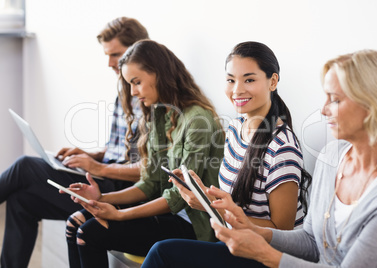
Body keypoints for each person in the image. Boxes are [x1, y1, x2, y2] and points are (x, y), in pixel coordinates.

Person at [142, 49, 377, 268]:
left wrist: (262, 251)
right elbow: (311, 241)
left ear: (372, 104)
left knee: (162, 253)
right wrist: (249, 228)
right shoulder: (331, 156)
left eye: (334, 100)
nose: (323, 110)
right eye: (231, 79)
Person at [0, 17, 148, 268]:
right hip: (105, 175)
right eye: (108, 55)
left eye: (117, 55)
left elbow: (147, 168)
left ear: (139, 53)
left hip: (117, 188)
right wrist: (90, 155)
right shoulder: (124, 89)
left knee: (26, 165)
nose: (111, 63)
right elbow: (120, 149)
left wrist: (97, 167)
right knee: (22, 201)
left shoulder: (148, 96)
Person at [64, 39, 225, 268]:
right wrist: (100, 199)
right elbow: (149, 183)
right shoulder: (160, 114)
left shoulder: (198, 120)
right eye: (130, 84)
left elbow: (178, 197)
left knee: (89, 232)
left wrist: (119, 215)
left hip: (194, 226)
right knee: (75, 222)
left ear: (159, 74)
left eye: (137, 82)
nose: (133, 92)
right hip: (170, 215)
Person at [170, 41, 311, 230]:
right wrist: (203, 193)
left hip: (266, 255)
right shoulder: (236, 128)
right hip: (235, 242)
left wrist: (210, 206)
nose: (237, 90)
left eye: (249, 80)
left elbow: (282, 230)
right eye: (231, 80)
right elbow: (237, 202)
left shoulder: (282, 148)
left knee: (162, 251)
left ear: (273, 81)